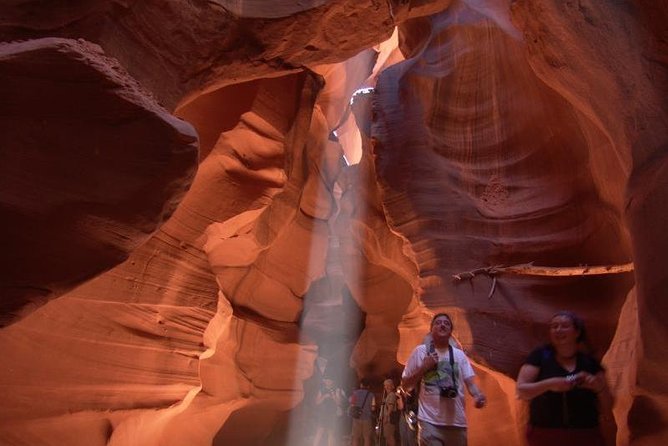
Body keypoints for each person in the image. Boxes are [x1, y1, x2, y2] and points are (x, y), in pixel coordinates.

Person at [516, 311, 615, 446]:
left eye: (564, 326)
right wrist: (549, 384)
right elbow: (522, 390)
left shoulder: (590, 363)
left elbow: (608, 406)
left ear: (577, 332)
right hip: (545, 435)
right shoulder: (539, 357)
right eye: (554, 326)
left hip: (585, 435)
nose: (558, 330)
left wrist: (599, 388)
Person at [401, 313, 486, 446]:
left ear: (451, 331)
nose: (442, 325)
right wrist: (423, 367)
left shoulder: (459, 355)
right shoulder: (420, 352)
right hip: (429, 422)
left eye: (446, 323)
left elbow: (470, 384)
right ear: (431, 329)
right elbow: (405, 386)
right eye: (438, 322)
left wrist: (478, 395)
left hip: (457, 424)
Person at [313, 376, 345, 446]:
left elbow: (339, 403)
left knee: (331, 432)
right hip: (323, 413)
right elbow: (317, 402)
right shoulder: (321, 390)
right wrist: (324, 397)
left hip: (332, 414)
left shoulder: (336, 390)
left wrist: (334, 396)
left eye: (330, 380)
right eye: (327, 380)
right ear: (324, 381)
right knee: (320, 431)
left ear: (332, 381)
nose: (328, 382)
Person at [349, 379, 376, 446]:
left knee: (355, 437)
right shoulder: (371, 395)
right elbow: (373, 408)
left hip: (357, 418)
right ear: (368, 386)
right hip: (367, 418)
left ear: (361, 385)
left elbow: (352, 405)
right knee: (366, 437)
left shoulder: (355, 393)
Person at [379, 378, 399, 446]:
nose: (386, 387)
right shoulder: (387, 395)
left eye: (388, 385)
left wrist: (386, 417)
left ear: (392, 386)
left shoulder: (392, 395)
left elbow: (390, 407)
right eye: (385, 385)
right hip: (387, 419)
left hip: (389, 420)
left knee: (390, 436)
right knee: (387, 437)